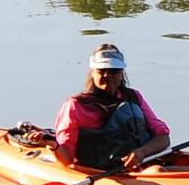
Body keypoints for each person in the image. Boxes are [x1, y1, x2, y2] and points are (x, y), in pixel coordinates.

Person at [53, 43, 172, 173]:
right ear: (92, 72)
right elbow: (67, 159)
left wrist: (142, 152)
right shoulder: (76, 105)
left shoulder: (133, 97)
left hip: (139, 166)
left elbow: (163, 138)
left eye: (114, 71)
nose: (107, 75)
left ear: (121, 73)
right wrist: (52, 145)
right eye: (101, 70)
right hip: (100, 172)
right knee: (157, 171)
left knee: (163, 169)